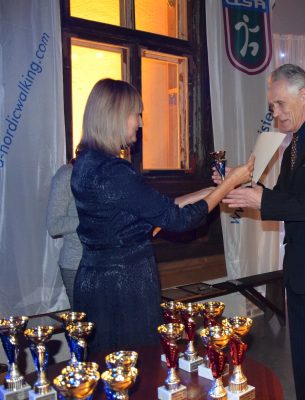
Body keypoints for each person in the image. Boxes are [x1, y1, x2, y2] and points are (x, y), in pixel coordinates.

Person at [71, 78, 253, 352]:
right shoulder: (113, 171)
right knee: (136, 362)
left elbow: (159, 209)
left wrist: (211, 191)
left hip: (94, 281)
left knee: (103, 364)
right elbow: (178, 220)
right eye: (136, 114)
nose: (140, 123)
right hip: (124, 286)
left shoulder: (86, 162)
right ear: (116, 116)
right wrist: (229, 184)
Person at [219, 64, 305, 400]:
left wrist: (263, 199)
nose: (275, 112)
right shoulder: (293, 147)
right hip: (299, 274)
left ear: (304, 95)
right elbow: (283, 199)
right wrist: (237, 184)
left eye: (280, 103)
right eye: (272, 106)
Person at [47, 159, 82, 307]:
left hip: (106, 263)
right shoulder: (67, 174)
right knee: (84, 319)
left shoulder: (107, 172)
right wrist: (90, 220)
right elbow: (54, 226)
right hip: (76, 265)